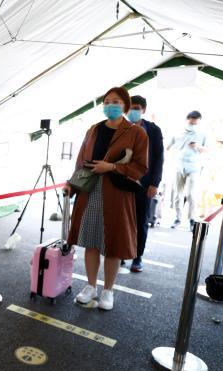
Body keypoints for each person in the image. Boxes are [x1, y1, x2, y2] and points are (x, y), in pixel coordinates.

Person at [65, 87, 148, 311]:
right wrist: (72, 184)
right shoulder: (93, 129)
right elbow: (81, 161)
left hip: (117, 194)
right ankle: (91, 286)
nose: (110, 105)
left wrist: (111, 167)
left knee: (114, 245)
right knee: (91, 241)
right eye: (107, 101)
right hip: (90, 191)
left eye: (116, 101)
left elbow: (141, 167)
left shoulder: (136, 132)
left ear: (125, 106)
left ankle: (108, 290)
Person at [126, 95, 164, 272]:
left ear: (144, 110)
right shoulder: (121, 127)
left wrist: (154, 183)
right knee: (122, 220)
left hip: (145, 183)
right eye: (130, 108)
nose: (132, 111)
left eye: (136, 108)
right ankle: (120, 253)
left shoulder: (153, 130)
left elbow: (159, 158)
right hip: (122, 181)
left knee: (141, 221)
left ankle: (137, 257)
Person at [166, 111, 209, 229]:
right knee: (177, 194)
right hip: (179, 166)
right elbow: (167, 147)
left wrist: (197, 146)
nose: (193, 125)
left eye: (195, 123)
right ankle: (178, 218)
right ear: (187, 120)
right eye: (191, 122)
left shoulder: (203, 134)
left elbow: (207, 149)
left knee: (191, 194)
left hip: (194, 167)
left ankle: (192, 219)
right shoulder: (178, 132)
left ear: (199, 122)